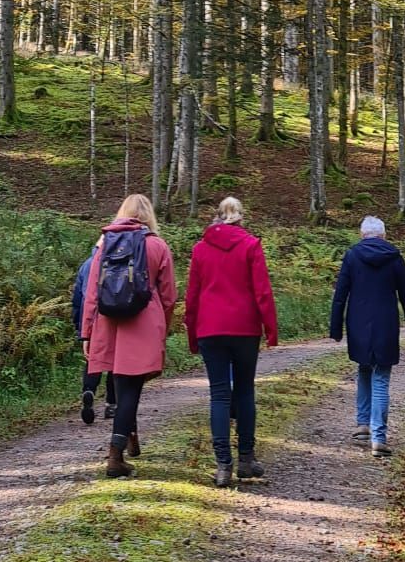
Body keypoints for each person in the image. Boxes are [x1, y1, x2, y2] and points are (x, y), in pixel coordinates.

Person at [81, 194, 178, 479]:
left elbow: (92, 293)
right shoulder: (157, 245)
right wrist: (164, 326)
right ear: (149, 216)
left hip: (109, 323)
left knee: (123, 386)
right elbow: (169, 296)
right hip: (143, 323)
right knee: (131, 389)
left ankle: (129, 441)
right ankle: (115, 454)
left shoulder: (104, 245)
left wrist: (86, 331)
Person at [185, 195, 279, 488]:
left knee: (219, 395)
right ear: (240, 217)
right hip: (244, 328)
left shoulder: (200, 249)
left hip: (210, 329)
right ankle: (247, 459)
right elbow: (262, 291)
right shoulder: (251, 245)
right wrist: (271, 329)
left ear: (217, 216)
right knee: (245, 391)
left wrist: (192, 333)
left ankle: (223, 465)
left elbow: (192, 296)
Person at [329, 215, 405, 460]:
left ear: (362, 234)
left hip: (358, 324)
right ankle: (378, 438)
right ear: (383, 235)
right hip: (386, 324)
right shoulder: (394, 257)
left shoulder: (352, 256)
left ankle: (362, 425)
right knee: (381, 377)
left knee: (364, 369)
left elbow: (340, 295)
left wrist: (335, 328)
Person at [72, 246, 115, 425]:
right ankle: (112, 403)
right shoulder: (120, 262)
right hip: (115, 316)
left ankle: (88, 390)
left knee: (93, 358)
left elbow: (77, 299)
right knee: (115, 362)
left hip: (91, 318)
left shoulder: (87, 265)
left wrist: (79, 326)